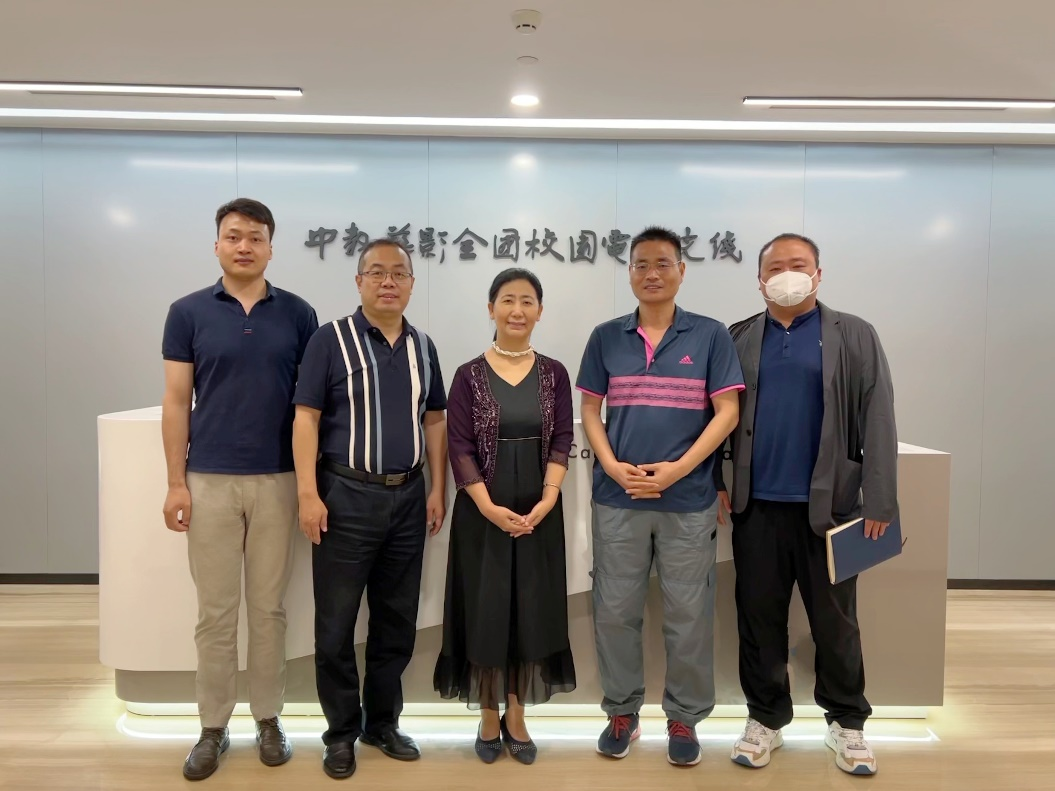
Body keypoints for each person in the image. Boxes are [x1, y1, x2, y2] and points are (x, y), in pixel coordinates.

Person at [717, 233, 897, 776]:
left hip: (833, 510)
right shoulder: (738, 336)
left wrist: (880, 499)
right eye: (776, 267)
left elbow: (878, 415)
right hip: (756, 506)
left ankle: (847, 722)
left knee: (836, 623)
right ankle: (765, 718)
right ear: (759, 280)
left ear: (818, 274)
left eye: (798, 265)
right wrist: (719, 480)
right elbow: (717, 416)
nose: (787, 274)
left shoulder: (854, 333)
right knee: (759, 619)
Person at [161, 198, 319, 781]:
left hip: (279, 479)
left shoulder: (299, 314)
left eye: (255, 237)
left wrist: (309, 485)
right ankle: (212, 726)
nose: (244, 246)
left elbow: (310, 408)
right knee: (216, 612)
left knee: (269, 609)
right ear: (217, 245)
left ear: (271, 247)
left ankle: (268, 718)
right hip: (208, 479)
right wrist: (175, 482)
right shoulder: (187, 312)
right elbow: (176, 400)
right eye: (233, 236)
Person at [576, 226, 744, 767]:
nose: (652, 274)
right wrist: (610, 465)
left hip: (687, 500)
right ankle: (622, 712)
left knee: (689, 614)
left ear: (681, 271)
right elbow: (590, 410)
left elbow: (727, 413)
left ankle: (685, 717)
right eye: (641, 264)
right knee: (614, 611)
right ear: (629, 272)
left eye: (663, 264)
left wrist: (677, 471)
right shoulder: (606, 337)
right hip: (618, 497)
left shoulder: (711, 335)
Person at [292, 238, 447, 780]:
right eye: (376, 272)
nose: (388, 282)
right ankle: (340, 733)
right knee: (335, 624)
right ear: (359, 282)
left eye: (398, 273)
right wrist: (307, 493)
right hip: (344, 497)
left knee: (396, 620)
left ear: (411, 284)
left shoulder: (424, 346)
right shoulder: (329, 340)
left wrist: (437, 488)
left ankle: (382, 723)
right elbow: (306, 417)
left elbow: (434, 419)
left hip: (408, 497)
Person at [435, 268, 577, 765]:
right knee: (486, 609)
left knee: (531, 609)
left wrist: (548, 498)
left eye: (528, 301)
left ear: (540, 311)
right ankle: (488, 713)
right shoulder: (468, 375)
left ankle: (517, 713)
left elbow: (562, 437)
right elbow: (459, 446)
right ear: (491, 308)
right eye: (508, 300)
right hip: (483, 512)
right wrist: (488, 507)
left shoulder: (554, 373)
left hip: (539, 511)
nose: (518, 310)